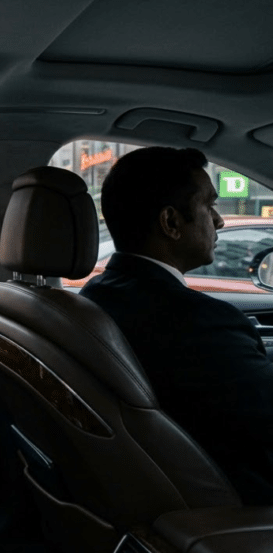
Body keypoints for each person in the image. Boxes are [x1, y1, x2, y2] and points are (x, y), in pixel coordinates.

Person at [80, 146, 273, 504]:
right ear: (170, 223)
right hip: (237, 508)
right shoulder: (201, 324)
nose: (219, 221)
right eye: (209, 206)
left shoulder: (96, 295)